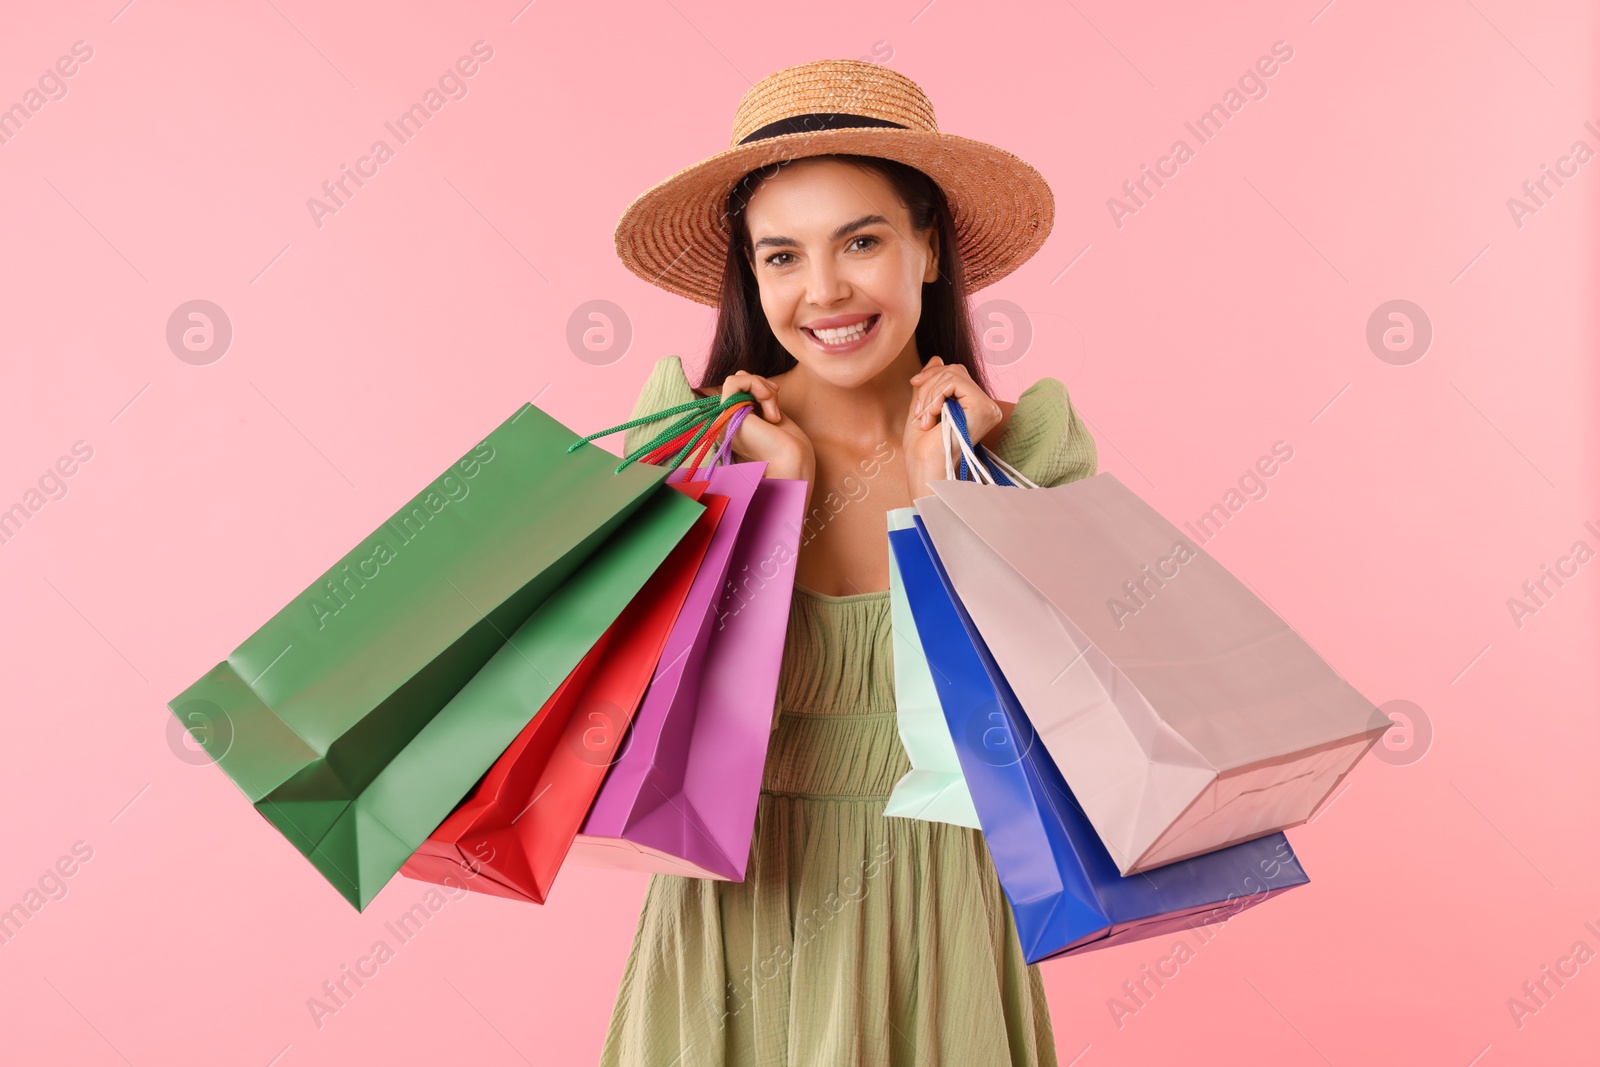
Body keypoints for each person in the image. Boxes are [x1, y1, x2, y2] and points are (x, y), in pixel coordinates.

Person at [599, 58, 1097, 1066]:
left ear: (927, 248)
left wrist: (947, 502)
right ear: (749, 274)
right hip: (731, 916)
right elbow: (645, 720)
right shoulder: (687, 453)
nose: (822, 290)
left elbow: (1051, 733)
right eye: (780, 256)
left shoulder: (1026, 457)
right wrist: (765, 501)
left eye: (860, 240)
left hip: (945, 907)